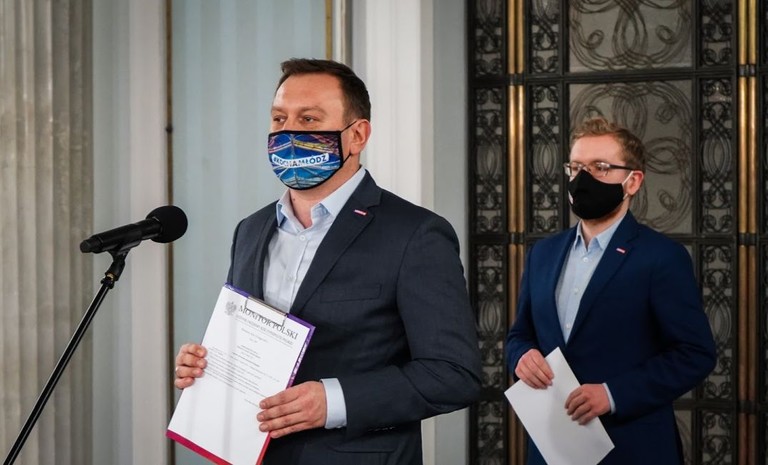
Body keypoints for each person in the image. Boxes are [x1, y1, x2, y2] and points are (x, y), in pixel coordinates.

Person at [174, 58, 482, 465]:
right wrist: (207, 367)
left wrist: (334, 401)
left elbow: (454, 375)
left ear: (357, 135)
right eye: (279, 119)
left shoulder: (415, 234)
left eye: (309, 119)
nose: (288, 133)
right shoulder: (250, 230)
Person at [505, 117, 716, 464]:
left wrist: (613, 394)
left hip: (633, 447)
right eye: (576, 167)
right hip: (551, 447)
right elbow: (520, 334)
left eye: (600, 167)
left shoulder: (662, 257)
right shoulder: (543, 253)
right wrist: (521, 357)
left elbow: (695, 353)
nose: (583, 178)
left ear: (633, 181)